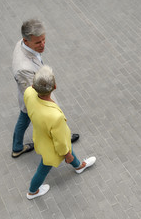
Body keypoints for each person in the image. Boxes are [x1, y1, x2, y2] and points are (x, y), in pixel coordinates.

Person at [24, 65, 96, 199]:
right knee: (44, 168)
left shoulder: (28, 92)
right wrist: (67, 155)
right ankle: (32, 191)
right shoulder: (55, 117)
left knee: (68, 147)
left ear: (33, 86)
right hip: (52, 148)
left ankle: (79, 166)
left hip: (40, 137)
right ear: (55, 87)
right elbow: (61, 144)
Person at [11, 18, 79, 158]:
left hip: (29, 91)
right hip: (34, 96)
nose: (43, 45)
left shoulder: (21, 44)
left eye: (43, 40)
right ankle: (63, 139)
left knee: (23, 118)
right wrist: (51, 105)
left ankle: (17, 147)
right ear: (26, 40)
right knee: (45, 119)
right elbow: (35, 92)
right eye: (38, 42)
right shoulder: (23, 68)